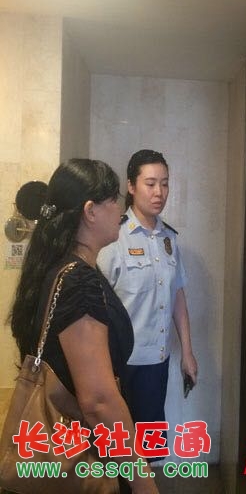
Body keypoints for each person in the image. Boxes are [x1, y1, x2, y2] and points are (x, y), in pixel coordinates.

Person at [9, 159, 158, 494]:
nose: (121, 209)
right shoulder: (78, 282)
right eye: (114, 199)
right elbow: (99, 401)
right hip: (82, 455)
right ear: (90, 211)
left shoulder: (60, 268)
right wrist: (144, 485)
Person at [97, 150, 197, 456]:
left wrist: (187, 352)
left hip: (156, 361)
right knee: (115, 450)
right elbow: (95, 305)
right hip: (118, 365)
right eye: (150, 183)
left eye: (164, 184)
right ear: (131, 186)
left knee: (148, 450)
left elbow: (177, 295)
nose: (159, 192)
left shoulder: (169, 239)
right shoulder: (113, 238)